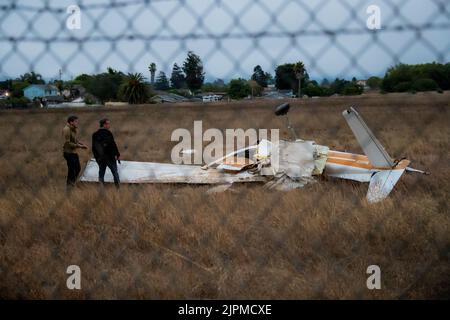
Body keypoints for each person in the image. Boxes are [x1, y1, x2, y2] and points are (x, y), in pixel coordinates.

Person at [92, 118, 120, 188]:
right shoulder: (108, 133)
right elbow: (113, 144)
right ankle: (118, 189)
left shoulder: (95, 134)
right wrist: (117, 154)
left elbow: (93, 147)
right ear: (104, 124)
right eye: (108, 124)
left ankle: (101, 188)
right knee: (115, 173)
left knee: (101, 173)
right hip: (109, 157)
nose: (109, 125)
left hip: (100, 158)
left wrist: (97, 157)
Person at [63, 115, 88, 188]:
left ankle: (72, 183)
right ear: (71, 122)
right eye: (76, 122)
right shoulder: (66, 129)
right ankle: (69, 187)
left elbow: (74, 140)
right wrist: (80, 146)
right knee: (72, 171)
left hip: (73, 152)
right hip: (68, 153)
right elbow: (67, 143)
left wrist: (80, 143)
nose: (77, 123)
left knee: (78, 168)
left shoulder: (73, 129)